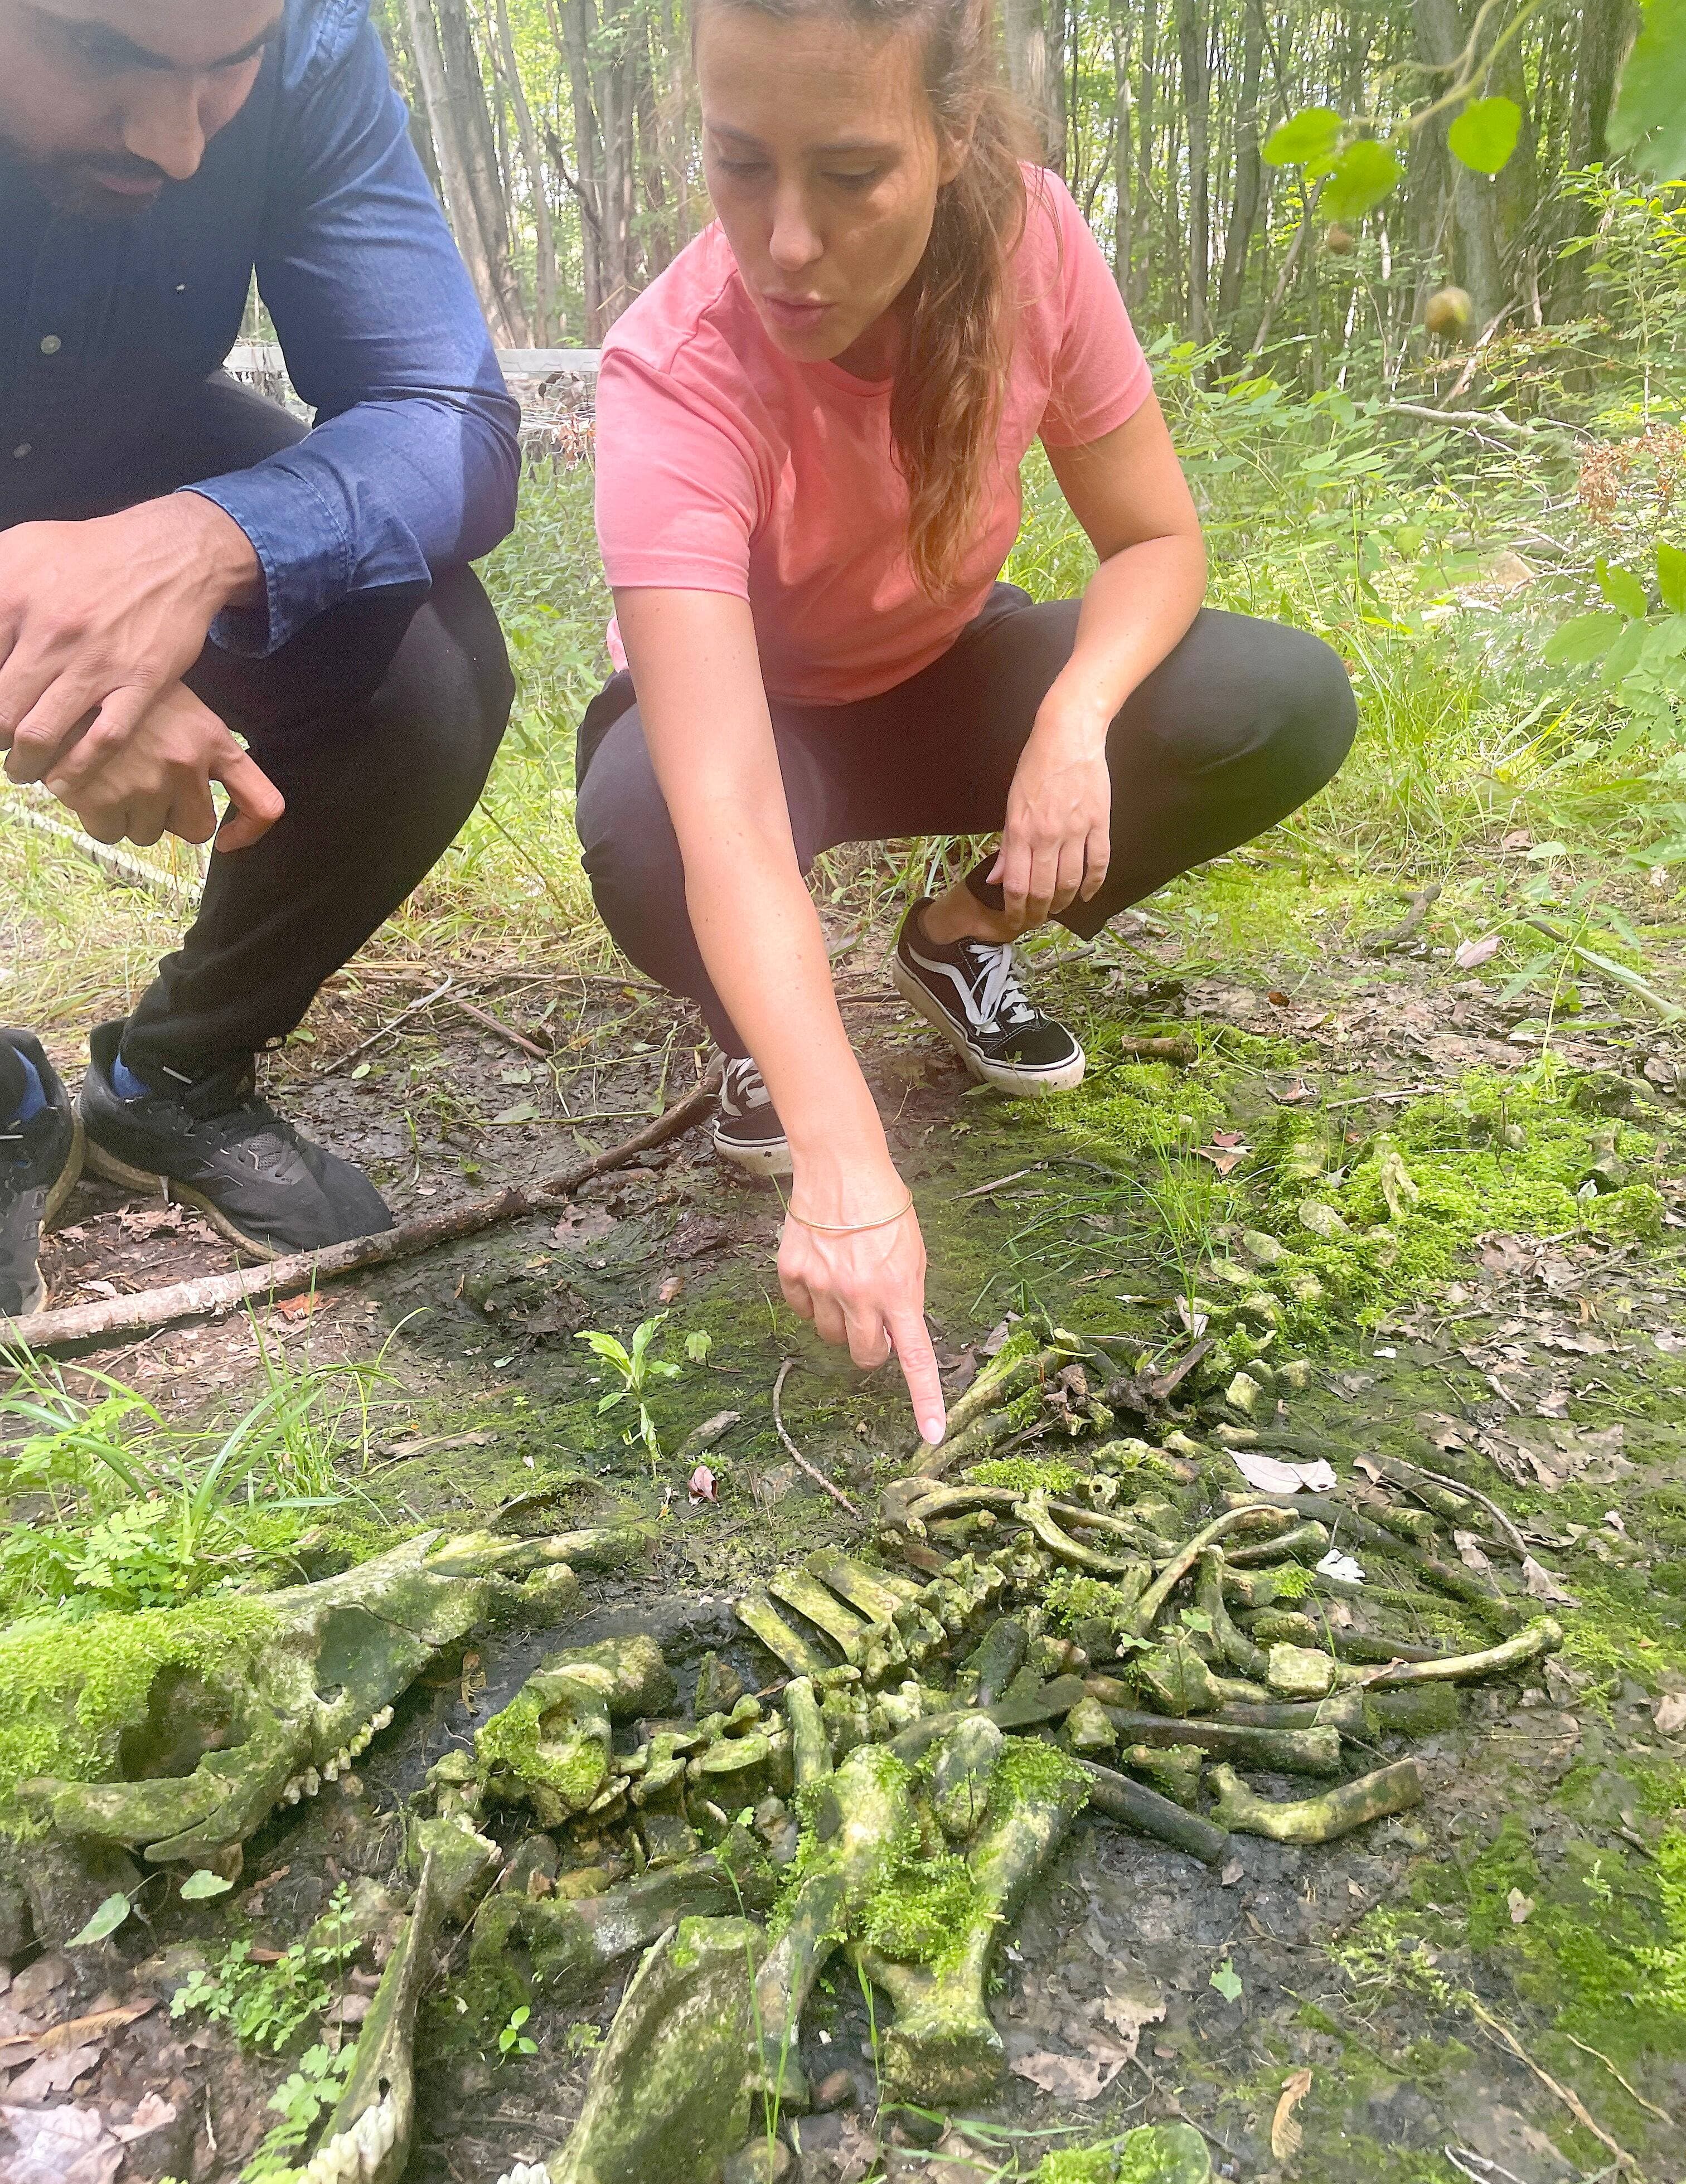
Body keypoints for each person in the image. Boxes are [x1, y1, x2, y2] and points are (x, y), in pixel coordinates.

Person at [578, 0, 1359, 1445]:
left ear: (950, 141)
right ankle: (761, 1035)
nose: (788, 244)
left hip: (940, 669)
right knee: (643, 829)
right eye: (740, 163)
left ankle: (957, 943)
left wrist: (1074, 720)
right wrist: (850, 1156)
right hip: (760, 717)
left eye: (853, 174)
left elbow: (1154, 543)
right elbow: (730, 818)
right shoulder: (672, 375)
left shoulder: (1032, 247)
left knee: (1277, 701)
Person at [0, 0, 521, 1320]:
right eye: (107, 56)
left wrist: (200, 547)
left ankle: (170, 1084)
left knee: (423, 661)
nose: (176, 145)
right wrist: (52, 643)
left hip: (123, 445)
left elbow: (447, 416)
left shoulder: (316, 50)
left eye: (227, 68)